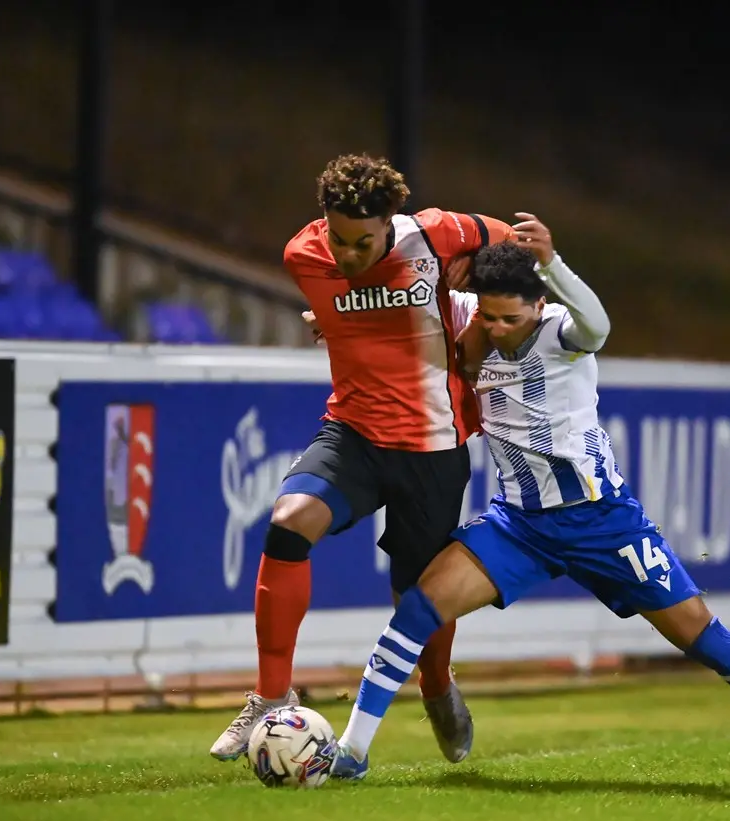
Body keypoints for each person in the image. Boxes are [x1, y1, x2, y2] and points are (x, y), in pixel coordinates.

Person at [329, 216, 730, 788]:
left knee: (704, 637)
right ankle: (352, 754)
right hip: (519, 524)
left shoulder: (566, 333)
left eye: (510, 318)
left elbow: (599, 322)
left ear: (539, 305)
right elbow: (402, 325)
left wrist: (553, 263)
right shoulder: (475, 323)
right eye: (488, 316)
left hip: (602, 522)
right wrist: (337, 328)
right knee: (419, 607)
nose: (496, 329)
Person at [209, 153, 516, 762]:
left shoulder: (435, 235)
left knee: (417, 595)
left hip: (432, 447)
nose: (346, 255)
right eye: (338, 238)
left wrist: (475, 272)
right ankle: (271, 700)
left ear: (391, 222)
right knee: (289, 521)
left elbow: (512, 247)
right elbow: (342, 303)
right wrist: (330, 317)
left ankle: (435, 685)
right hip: (352, 433)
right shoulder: (304, 255)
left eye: (362, 243)